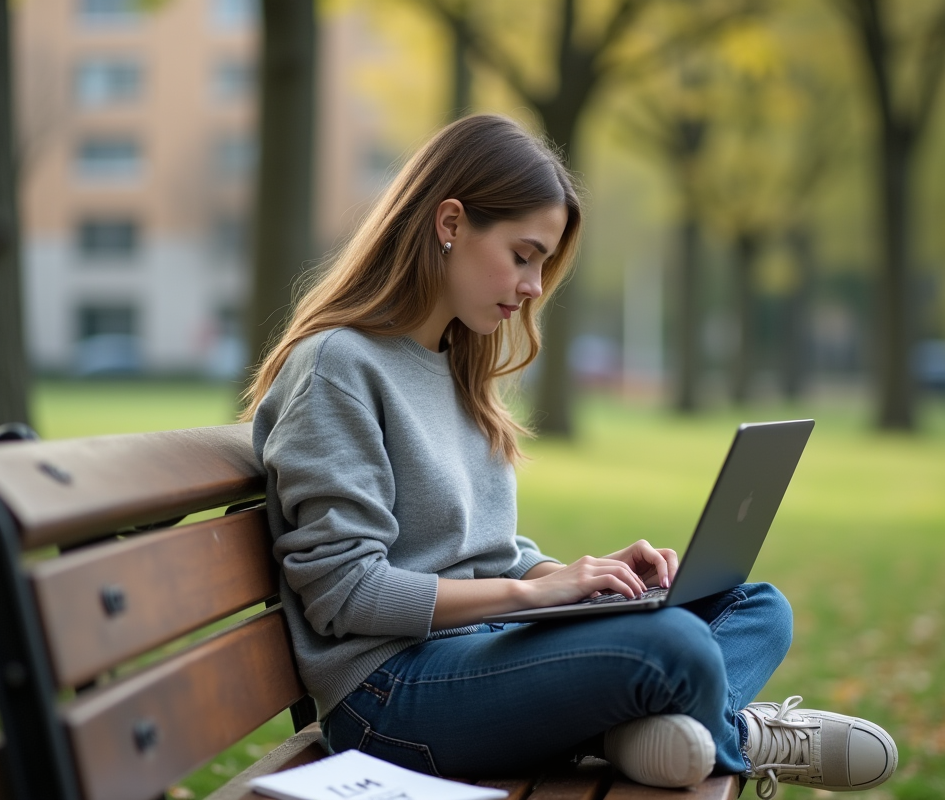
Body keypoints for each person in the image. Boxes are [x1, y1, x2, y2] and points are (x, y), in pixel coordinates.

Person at [244, 114, 898, 797]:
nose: (533, 286)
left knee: (756, 607)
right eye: (524, 254)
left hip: (481, 649)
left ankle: (646, 728)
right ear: (450, 223)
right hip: (388, 697)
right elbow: (346, 596)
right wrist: (535, 594)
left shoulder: (457, 364)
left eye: (543, 264)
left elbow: (484, 550)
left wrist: (581, 578)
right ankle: (739, 736)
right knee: (674, 647)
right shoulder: (338, 367)